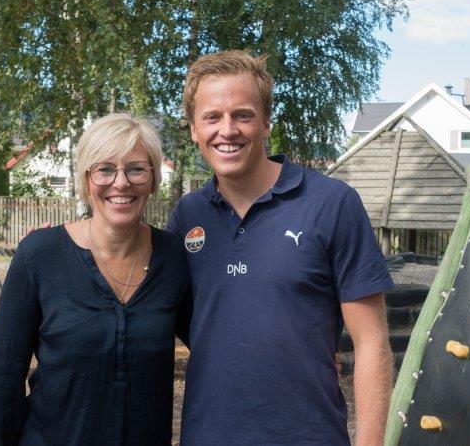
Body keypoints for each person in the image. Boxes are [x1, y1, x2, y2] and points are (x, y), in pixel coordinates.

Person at [166, 50, 394, 445]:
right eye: (212, 117)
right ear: (193, 129)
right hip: (208, 433)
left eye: (243, 115)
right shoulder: (188, 216)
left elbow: (372, 343)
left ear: (266, 122)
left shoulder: (331, 204)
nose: (227, 129)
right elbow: (192, 321)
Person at [0, 112, 189, 445]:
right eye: (104, 169)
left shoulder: (174, 258)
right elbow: (4, 378)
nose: (121, 182)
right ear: (86, 180)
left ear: (154, 178)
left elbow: (216, 344)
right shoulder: (40, 255)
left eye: (136, 168)